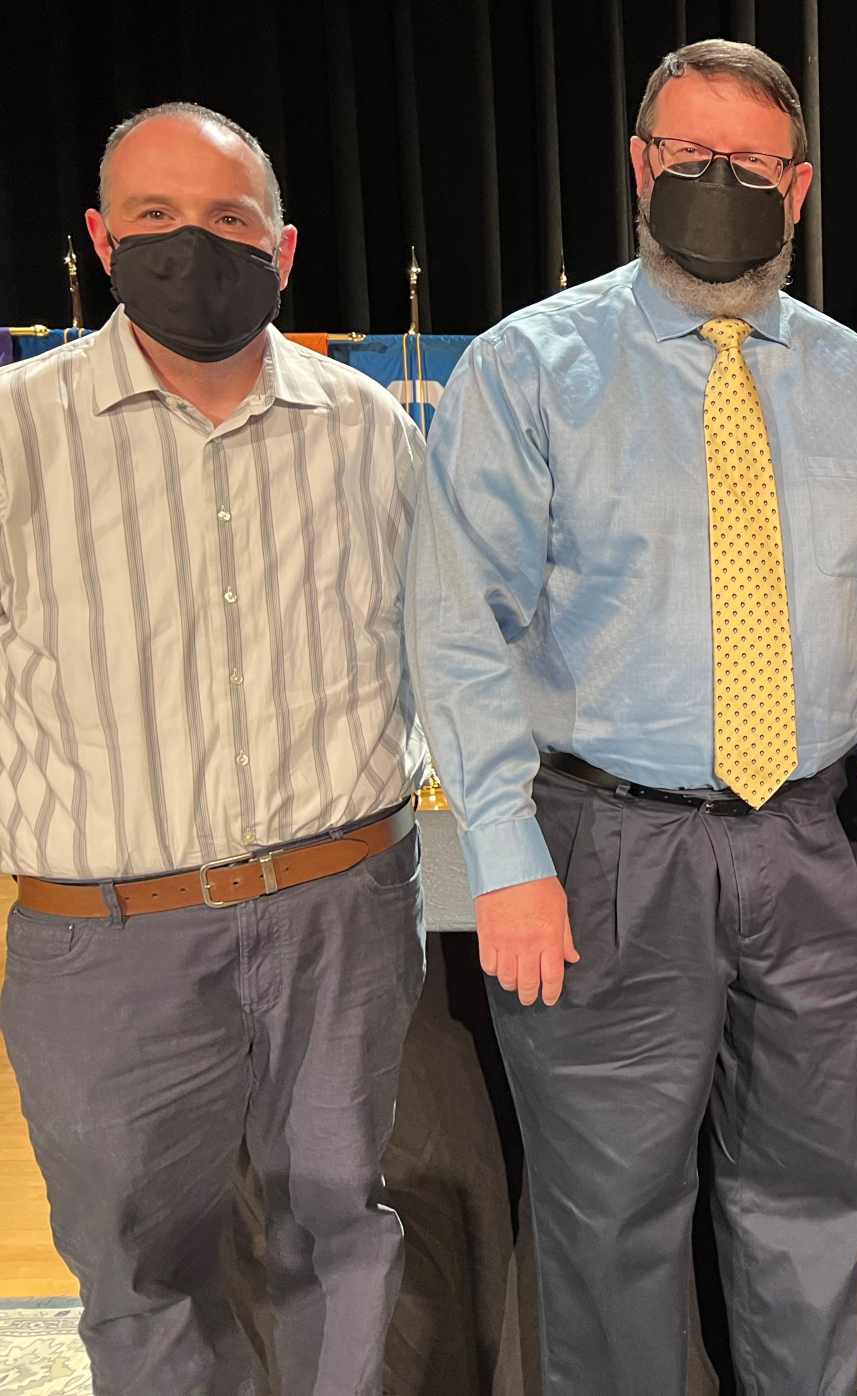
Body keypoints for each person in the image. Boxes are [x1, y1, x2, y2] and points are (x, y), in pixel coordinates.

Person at [406, 39, 857, 1396]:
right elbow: (456, 629)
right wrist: (506, 857)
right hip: (599, 848)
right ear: (641, 167)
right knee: (608, 1223)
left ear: (801, 186)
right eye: (692, 159)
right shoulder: (530, 371)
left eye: (751, 167)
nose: (721, 185)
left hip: (807, 849)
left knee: (813, 1203)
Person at [0, 104, 429, 1395]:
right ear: (98, 238)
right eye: (155, 220)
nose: (196, 245)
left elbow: (437, 650)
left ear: (283, 246)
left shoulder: (373, 434)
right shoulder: (16, 431)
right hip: (105, 937)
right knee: (138, 1272)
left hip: (340, 913)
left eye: (230, 221)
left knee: (340, 1234)